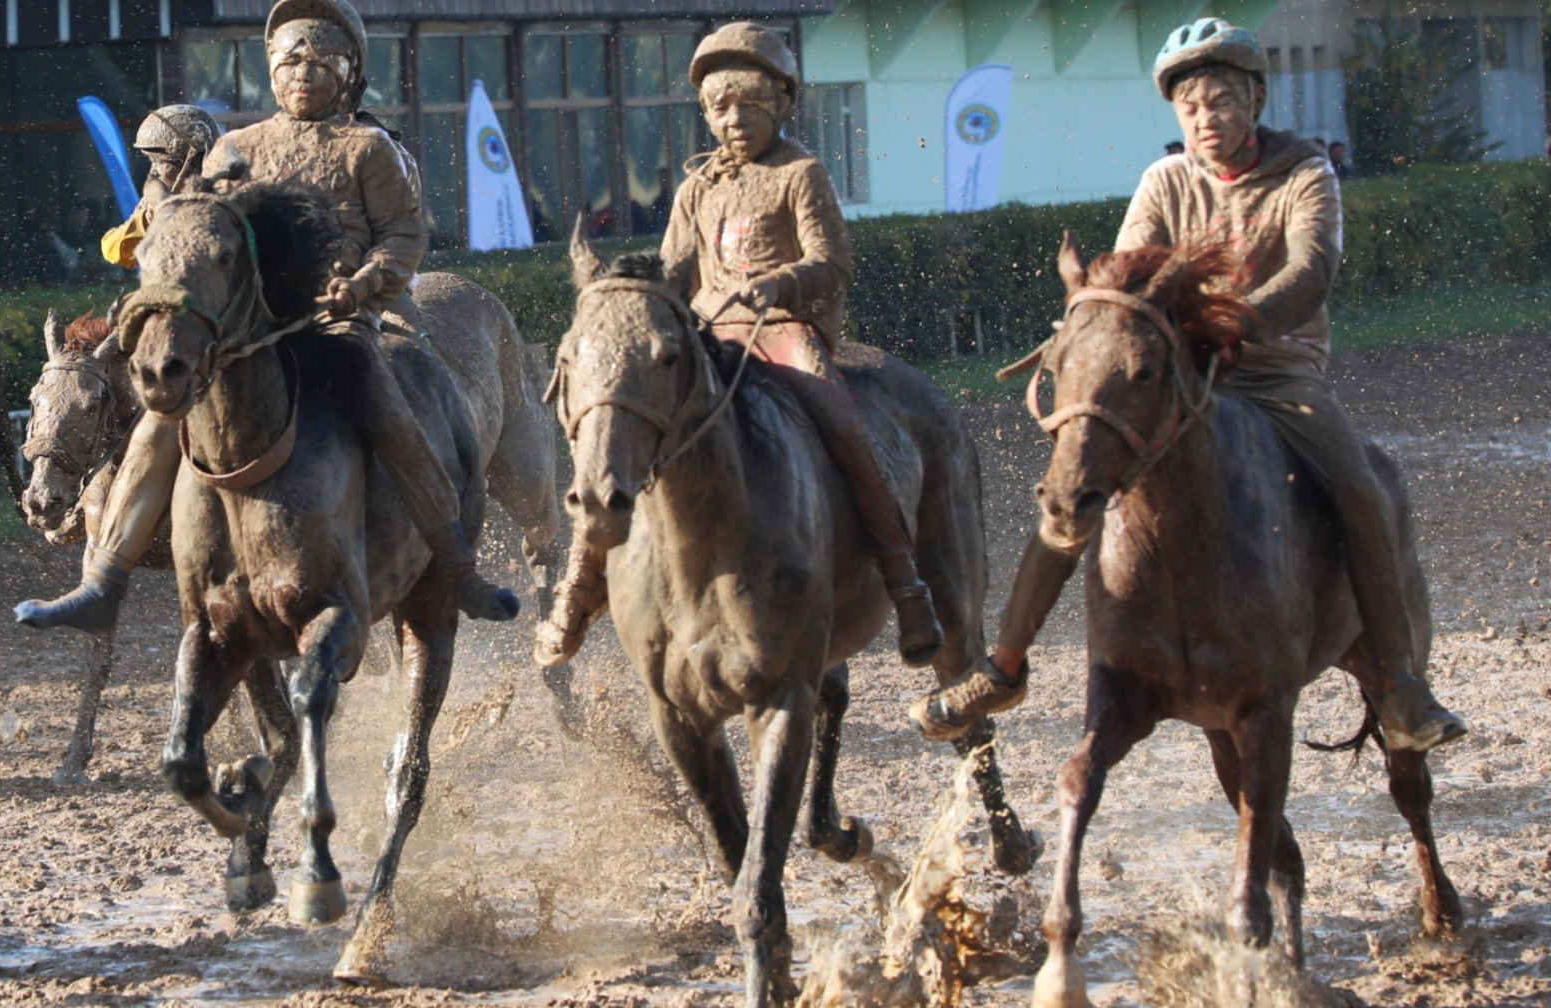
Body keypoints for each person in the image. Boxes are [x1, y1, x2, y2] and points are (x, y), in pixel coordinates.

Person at [911, 17, 1465, 753]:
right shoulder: (1164, 181)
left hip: (1275, 372)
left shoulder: (1306, 174)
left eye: (1222, 102)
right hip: (1175, 377)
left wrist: (1239, 324)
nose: (1206, 120)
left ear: (1258, 97)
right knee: (1072, 479)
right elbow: (1129, 277)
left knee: (1363, 489)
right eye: (1191, 108)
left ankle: (1398, 684)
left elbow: (1312, 271)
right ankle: (1004, 667)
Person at [17, 0, 518, 634]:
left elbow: (402, 236)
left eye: (318, 60)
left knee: (397, 407)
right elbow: (207, 230)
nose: (301, 73)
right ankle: (104, 578)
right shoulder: (240, 148)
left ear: (349, 72)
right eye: (287, 60)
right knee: (159, 415)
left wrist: (362, 283)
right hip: (259, 321)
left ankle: (455, 566)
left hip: (354, 315)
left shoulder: (374, 148)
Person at [533, 21, 945, 669]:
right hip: (705, 340)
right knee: (615, 430)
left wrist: (779, 285)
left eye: (749, 105)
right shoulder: (697, 187)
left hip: (782, 334)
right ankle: (579, 589)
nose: (734, 119)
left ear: (780, 105)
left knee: (843, 425)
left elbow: (832, 262)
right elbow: (674, 271)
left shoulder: (800, 174)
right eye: (721, 107)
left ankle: (904, 580)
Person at [101, 104, 224, 270]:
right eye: (152, 161)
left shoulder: (227, 198)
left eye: (160, 162)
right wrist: (148, 218)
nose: (155, 171)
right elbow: (114, 251)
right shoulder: (153, 204)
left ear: (192, 161)